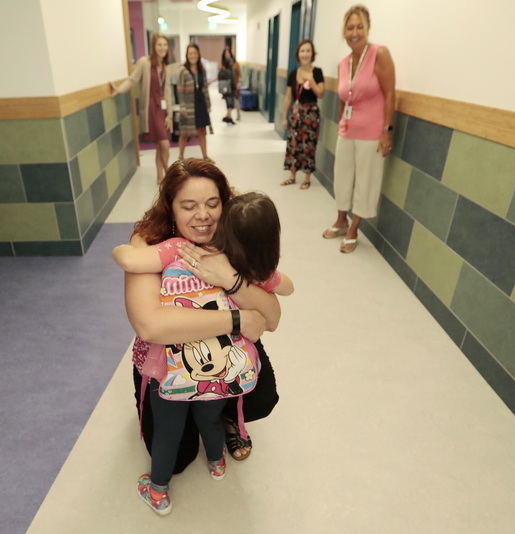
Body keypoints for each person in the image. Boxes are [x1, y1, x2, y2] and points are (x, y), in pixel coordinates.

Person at [113, 191, 293, 515]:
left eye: (212, 204)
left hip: (172, 370)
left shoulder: (175, 249)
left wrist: (127, 244)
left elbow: (128, 259)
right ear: (172, 209)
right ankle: (217, 463)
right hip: (222, 367)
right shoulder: (236, 252)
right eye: (189, 205)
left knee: (167, 435)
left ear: (224, 206)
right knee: (209, 418)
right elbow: (284, 285)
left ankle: (157, 492)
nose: (202, 215)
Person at [323, 4, 396, 253]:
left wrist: (387, 130)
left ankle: (355, 228)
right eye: (350, 27)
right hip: (348, 130)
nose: (355, 32)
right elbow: (344, 98)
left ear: (367, 29)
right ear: (344, 31)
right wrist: (342, 122)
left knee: (365, 181)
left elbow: (390, 94)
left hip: (371, 133)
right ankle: (341, 219)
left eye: (359, 27)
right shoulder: (343, 63)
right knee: (342, 177)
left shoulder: (379, 54)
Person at [109, 33, 174, 184]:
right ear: (154, 46)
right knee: (164, 143)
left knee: (161, 144)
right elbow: (133, 79)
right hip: (150, 109)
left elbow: (168, 91)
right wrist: (119, 90)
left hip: (162, 108)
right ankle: (169, 174)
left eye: (165, 44)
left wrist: (169, 114)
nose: (162, 47)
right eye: (159, 44)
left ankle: (160, 176)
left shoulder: (165, 66)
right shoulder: (144, 62)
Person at [280, 40, 325, 190]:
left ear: (312, 54)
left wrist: (310, 78)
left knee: (309, 145)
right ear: (298, 54)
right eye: (302, 51)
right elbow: (288, 96)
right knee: (293, 144)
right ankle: (292, 176)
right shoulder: (293, 73)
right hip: (296, 112)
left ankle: (307, 178)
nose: (305, 54)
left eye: (308, 51)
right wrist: (284, 116)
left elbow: (320, 93)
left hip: (311, 113)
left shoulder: (317, 72)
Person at [176, 44, 212, 161]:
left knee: (202, 130)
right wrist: (183, 106)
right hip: (188, 105)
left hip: (200, 103)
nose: (193, 56)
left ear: (198, 54)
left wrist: (208, 104)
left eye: (195, 53)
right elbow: (180, 90)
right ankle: (181, 157)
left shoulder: (202, 69)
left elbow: (205, 87)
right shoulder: (182, 70)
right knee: (184, 132)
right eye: (190, 53)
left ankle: (205, 156)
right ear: (187, 55)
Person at [218, 47, 241, 124]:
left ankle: (232, 115)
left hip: (234, 85)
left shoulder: (235, 64)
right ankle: (229, 117)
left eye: (228, 53)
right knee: (229, 102)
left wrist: (238, 83)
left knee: (235, 101)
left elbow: (239, 74)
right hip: (227, 87)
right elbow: (220, 75)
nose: (227, 55)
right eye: (225, 54)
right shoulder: (223, 65)